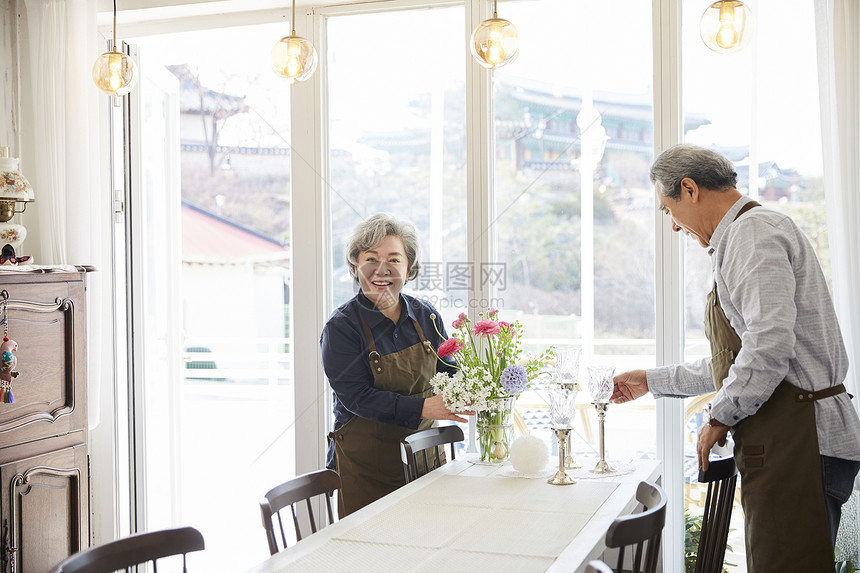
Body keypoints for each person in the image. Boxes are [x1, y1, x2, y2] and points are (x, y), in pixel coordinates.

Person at [612, 144, 860, 572]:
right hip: (794, 439)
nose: (672, 226)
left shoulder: (752, 234)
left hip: (802, 442)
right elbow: (736, 362)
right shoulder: (747, 235)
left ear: (689, 189)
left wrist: (718, 417)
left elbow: (768, 346)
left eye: (666, 209)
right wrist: (651, 380)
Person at [320, 213, 472, 517]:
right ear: (355, 267)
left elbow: (448, 371)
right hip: (367, 471)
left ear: (409, 269)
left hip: (427, 465)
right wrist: (424, 409)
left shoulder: (425, 314)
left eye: (394, 259)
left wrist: (477, 389)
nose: (382, 270)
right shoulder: (341, 328)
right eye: (371, 259)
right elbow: (357, 398)